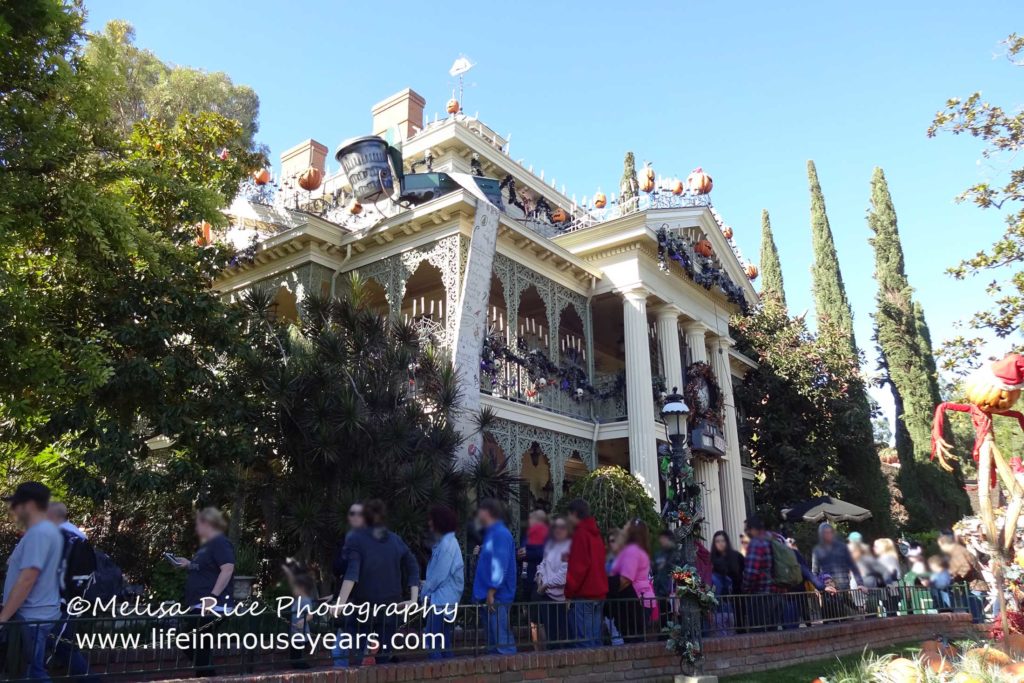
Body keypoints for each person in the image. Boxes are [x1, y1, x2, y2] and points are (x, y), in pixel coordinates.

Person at [334, 499, 420, 664]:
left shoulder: (357, 540)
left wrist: (340, 603)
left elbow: (352, 572)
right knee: (384, 658)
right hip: (390, 606)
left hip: (364, 607)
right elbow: (413, 565)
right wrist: (413, 599)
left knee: (357, 656)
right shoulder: (395, 540)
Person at [0, 482, 66, 681]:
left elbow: (27, 578)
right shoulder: (46, 531)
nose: (13, 510)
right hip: (37, 614)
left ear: (28, 505)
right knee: (30, 672)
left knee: (32, 674)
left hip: (33, 616)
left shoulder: (39, 534)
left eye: (16, 504)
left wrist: (3, 618)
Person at [170, 507, 235, 677]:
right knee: (200, 643)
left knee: (188, 639)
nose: (196, 528)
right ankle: (206, 676)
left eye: (199, 523)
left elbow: (227, 569)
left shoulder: (220, 542)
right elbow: (207, 570)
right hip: (202, 604)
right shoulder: (206, 547)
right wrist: (188, 564)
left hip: (213, 606)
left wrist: (213, 597)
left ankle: (208, 675)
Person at [472, 499, 517, 655]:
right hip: (490, 595)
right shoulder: (493, 533)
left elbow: (500, 564)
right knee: (494, 644)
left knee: (501, 644)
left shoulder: (500, 533)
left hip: (497, 596)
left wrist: (492, 591)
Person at [421, 505, 463, 660]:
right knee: (444, 641)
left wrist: (424, 591)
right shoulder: (449, 542)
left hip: (441, 600)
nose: (430, 524)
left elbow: (439, 574)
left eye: (432, 520)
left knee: (433, 642)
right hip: (447, 599)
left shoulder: (446, 544)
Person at [564, 499, 607, 648]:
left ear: (574, 514)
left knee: (584, 641)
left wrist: (568, 593)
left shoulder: (580, 534)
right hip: (598, 592)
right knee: (595, 639)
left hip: (584, 593)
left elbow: (578, 568)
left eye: (568, 515)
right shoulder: (596, 534)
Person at [608, 520, 658, 642]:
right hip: (639, 598)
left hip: (635, 600)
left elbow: (626, 579)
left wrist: (608, 592)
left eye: (626, 526)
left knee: (633, 639)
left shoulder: (633, 551)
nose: (623, 527)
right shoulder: (636, 550)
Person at [331, 501, 364, 668]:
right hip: (347, 601)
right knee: (340, 650)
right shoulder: (346, 540)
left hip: (359, 601)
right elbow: (336, 566)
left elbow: (353, 572)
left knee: (357, 649)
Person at [535, 515, 572, 648]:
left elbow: (564, 574)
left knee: (560, 635)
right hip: (545, 594)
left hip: (559, 598)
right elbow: (542, 564)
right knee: (550, 635)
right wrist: (540, 579)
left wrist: (546, 585)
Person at [740, 517, 780, 630]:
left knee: (759, 631)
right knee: (773, 632)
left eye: (746, 530)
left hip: (761, 593)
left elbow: (751, 572)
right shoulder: (774, 538)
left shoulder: (756, 543)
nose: (746, 533)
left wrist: (745, 588)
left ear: (752, 529)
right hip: (778, 592)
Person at [938, 533, 987, 623]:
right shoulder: (960, 551)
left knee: (975, 616)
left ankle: (980, 634)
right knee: (976, 614)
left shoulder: (958, 551)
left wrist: (952, 577)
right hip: (973, 586)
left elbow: (965, 568)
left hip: (975, 587)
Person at [282, 558, 315, 670]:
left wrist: (302, 621)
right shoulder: (298, 599)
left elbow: (311, 614)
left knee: (298, 650)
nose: (293, 590)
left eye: (295, 588)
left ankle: (301, 665)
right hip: (295, 631)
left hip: (301, 631)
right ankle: (297, 664)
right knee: (294, 650)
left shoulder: (305, 600)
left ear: (302, 588)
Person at [519, 509, 548, 598]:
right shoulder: (528, 533)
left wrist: (527, 553)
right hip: (526, 575)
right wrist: (518, 553)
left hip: (539, 577)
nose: (529, 521)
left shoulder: (547, 535)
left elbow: (544, 553)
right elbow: (522, 548)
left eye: (531, 518)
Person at [873, 538, 903, 616]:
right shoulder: (890, 557)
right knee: (891, 610)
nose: (874, 548)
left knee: (891, 611)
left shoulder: (886, 558)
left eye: (876, 546)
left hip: (889, 589)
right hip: (889, 589)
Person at [652, 531, 676, 601]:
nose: (661, 541)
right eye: (660, 539)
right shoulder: (658, 554)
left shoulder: (676, 554)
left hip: (671, 592)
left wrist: (666, 565)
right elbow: (654, 570)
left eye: (663, 539)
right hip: (658, 591)